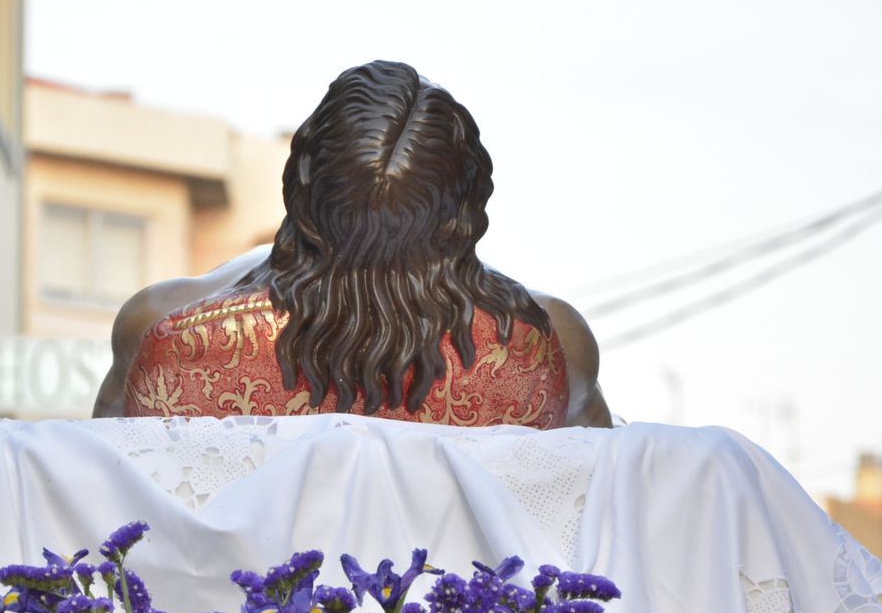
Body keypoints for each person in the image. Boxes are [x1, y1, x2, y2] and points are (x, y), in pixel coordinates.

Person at [93, 60, 610, 429]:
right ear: (463, 211)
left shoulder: (163, 330)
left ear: (301, 177)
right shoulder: (549, 344)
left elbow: (105, 510)